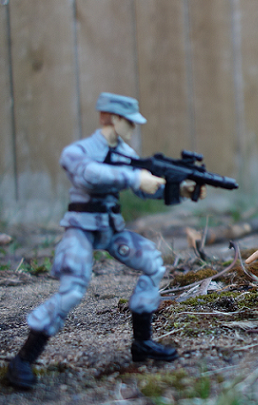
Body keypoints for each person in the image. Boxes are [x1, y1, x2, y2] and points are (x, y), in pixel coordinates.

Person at [7, 93, 206, 390]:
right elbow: (87, 174)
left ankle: (142, 342)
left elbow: (144, 188)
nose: (133, 128)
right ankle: (23, 359)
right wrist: (134, 178)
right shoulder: (79, 151)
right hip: (81, 230)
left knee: (152, 263)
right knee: (73, 290)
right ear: (112, 119)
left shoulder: (126, 153)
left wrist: (182, 190)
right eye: (129, 122)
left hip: (111, 230)